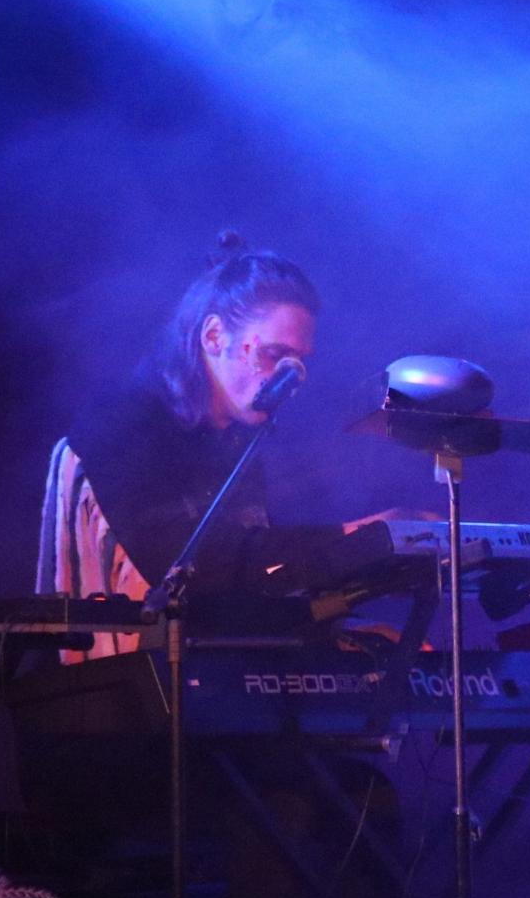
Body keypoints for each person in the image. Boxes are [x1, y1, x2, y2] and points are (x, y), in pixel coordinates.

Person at [37, 231, 319, 656]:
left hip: (213, 670)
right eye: (273, 355)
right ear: (214, 337)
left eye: (297, 363)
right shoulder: (121, 428)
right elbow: (196, 565)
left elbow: (256, 580)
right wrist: (354, 541)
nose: (286, 379)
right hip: (123, 680)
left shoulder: (239, 439)